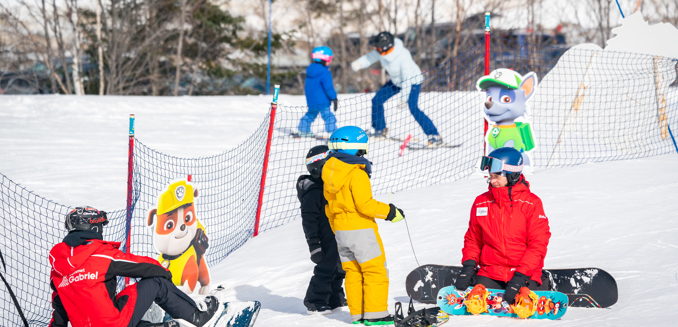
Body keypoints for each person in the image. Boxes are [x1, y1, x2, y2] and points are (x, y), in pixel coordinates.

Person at [49, 207, 221, 327]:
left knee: (112, 305)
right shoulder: (100, 254)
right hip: (114, 324)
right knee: (156, 283)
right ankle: (197, 318)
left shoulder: (59, 268)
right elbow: (140, 265)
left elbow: (59, 311)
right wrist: (165, 274)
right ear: (93, 227)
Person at [322, 126, 405, 325]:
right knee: (374, 270)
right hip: (360, 228)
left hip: (341, 230)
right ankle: (376, 315)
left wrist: (337, 231)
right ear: (359, 149)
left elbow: (329, 209)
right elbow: (365, 204)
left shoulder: (329, 173)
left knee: (353, 272)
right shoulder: (355, 173)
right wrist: (390, 212)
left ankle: (358, 315)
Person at [455, 147, 551, 307]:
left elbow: (538, 245)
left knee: (522, 307)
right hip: (491, 272)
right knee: (477, 305)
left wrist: (520, 276)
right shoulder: (481, 202)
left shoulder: (531, 204)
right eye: (490, 176)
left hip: (523, 273)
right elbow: (473, 239)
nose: (492, 181)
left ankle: (542, 281)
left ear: (513, 175)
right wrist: (469, 266)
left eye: (497, 176)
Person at [350, 31, 441, 145]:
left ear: (386, 47)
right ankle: (379, 129)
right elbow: (369, 57)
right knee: (377, 100)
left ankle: (434, 136)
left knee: (413, 108)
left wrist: (404, 98)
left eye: (378, 48)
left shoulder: (403, 56)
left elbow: (407, 79)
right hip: (396, 82)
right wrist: (358, 63)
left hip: (412, 82)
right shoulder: (381, 52)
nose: (376, 49)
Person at [296, 145, 347, 314]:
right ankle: (315, 301)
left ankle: (334, 298)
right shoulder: (313, 192)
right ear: (320, 168)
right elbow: (309, 220)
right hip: (323, 238)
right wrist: (314, 244)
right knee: (325, 269)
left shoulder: (330, 187)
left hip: (337, 234)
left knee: (339, 268)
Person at [298, 46, 338, 138]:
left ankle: (303, 130)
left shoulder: (309, 71)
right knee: (329, 117)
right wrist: (334, 98)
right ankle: (333, 133)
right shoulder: (325, 72)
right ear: (324, 59)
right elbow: (328, 88)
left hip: (311, 100)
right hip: (323, 101)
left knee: (310, 115)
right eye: (330, 59)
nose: (330, 61)